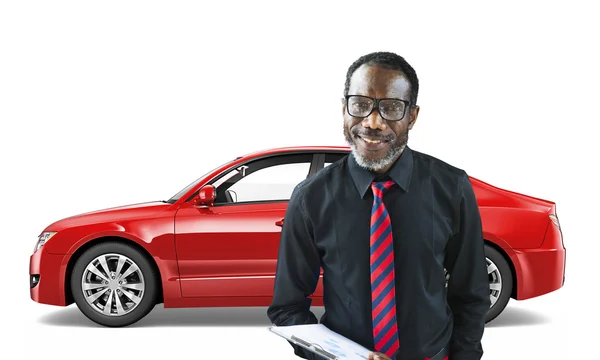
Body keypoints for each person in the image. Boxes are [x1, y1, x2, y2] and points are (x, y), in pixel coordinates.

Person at [267, 51, 490, 360]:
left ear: (412, 116)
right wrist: (340, 357)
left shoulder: (452, 187)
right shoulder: (310, 198)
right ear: (343, 109)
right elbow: (288, 307)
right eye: (360, 105)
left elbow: (471, 295)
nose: (372, 122)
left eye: (391, 108)